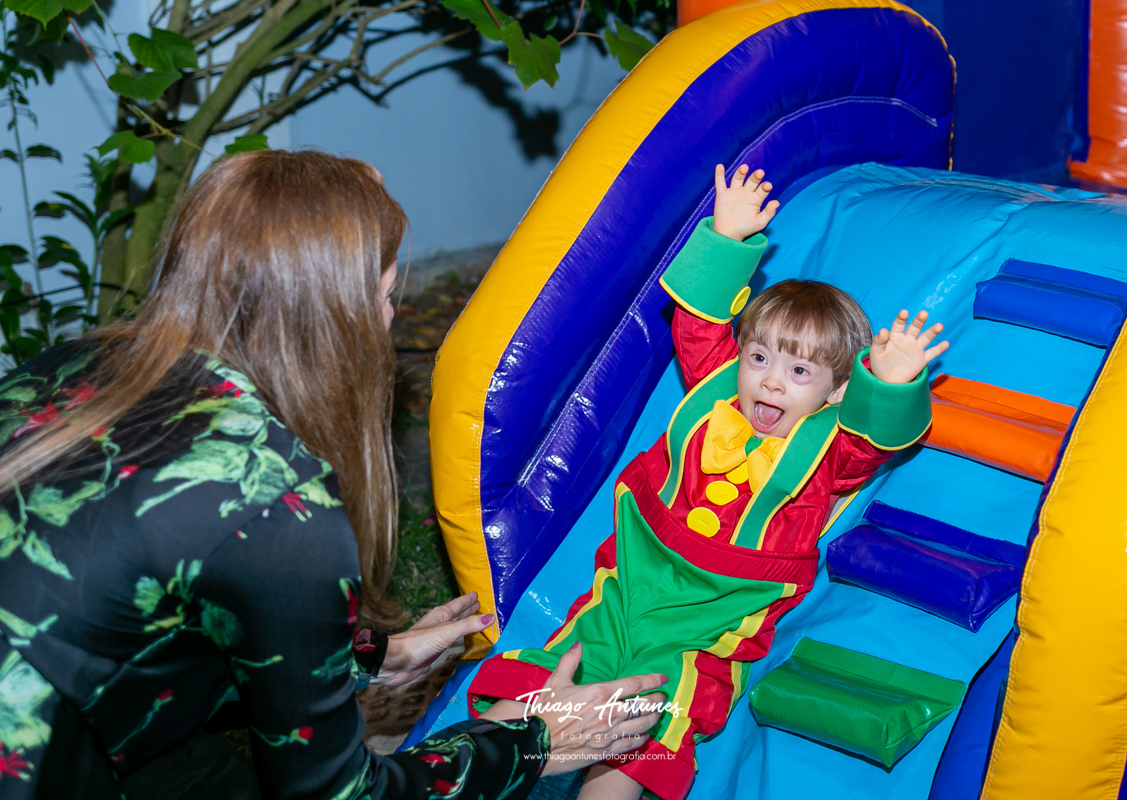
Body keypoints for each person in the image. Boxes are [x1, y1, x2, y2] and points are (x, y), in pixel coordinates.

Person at [0, 150, 667, 800]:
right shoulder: (275, 504)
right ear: (329, 322)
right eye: (382, 295)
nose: (390, 317)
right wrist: (530, 741)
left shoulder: (79, 365)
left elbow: (149, 598)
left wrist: (364, 656)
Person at [468, 164, 950, 800]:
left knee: (641, 716)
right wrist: (726, 240)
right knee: (556, 670)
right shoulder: (714, 391)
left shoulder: (831, 450)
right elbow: (697, 325)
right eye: (759, 358)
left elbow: (874, 440)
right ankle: (464, 776)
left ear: (836, 391)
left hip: (705, 624)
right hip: (630, 587)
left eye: (799, 371)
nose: (770, 381)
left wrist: (890, 385)